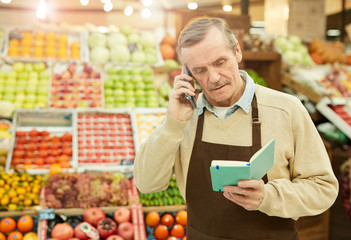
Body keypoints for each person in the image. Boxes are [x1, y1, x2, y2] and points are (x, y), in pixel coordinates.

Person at [134, 17, 338, 239]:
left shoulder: (286, 110)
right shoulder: (184, 117)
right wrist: (173, 123)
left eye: (220, 62)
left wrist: (268, 197)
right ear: (187, 74)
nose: (213, 78)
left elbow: (323, 188)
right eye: (200, 70)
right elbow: (147, 183)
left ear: (237, 52)